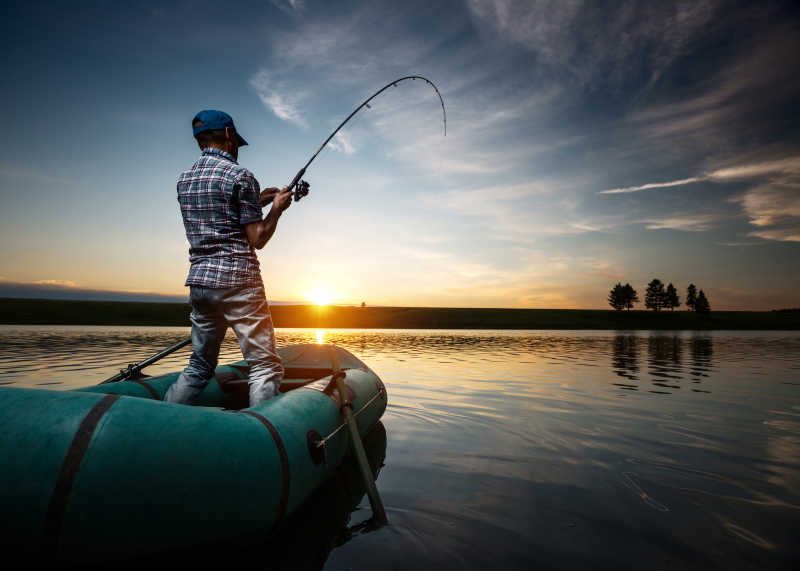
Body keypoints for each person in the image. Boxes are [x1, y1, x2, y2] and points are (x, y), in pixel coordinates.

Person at [165, 109, 293, 407]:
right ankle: (261, 429)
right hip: (239, 282)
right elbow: (257, 238)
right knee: (264, 365)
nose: (236, 147)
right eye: (235, 140)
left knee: (199, 366)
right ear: (227, 135)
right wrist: (277, 209)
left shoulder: (184, 180)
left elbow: (218, 213)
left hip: (200, 283)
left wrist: (256, 201)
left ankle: (161, 418)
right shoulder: (240, 176)